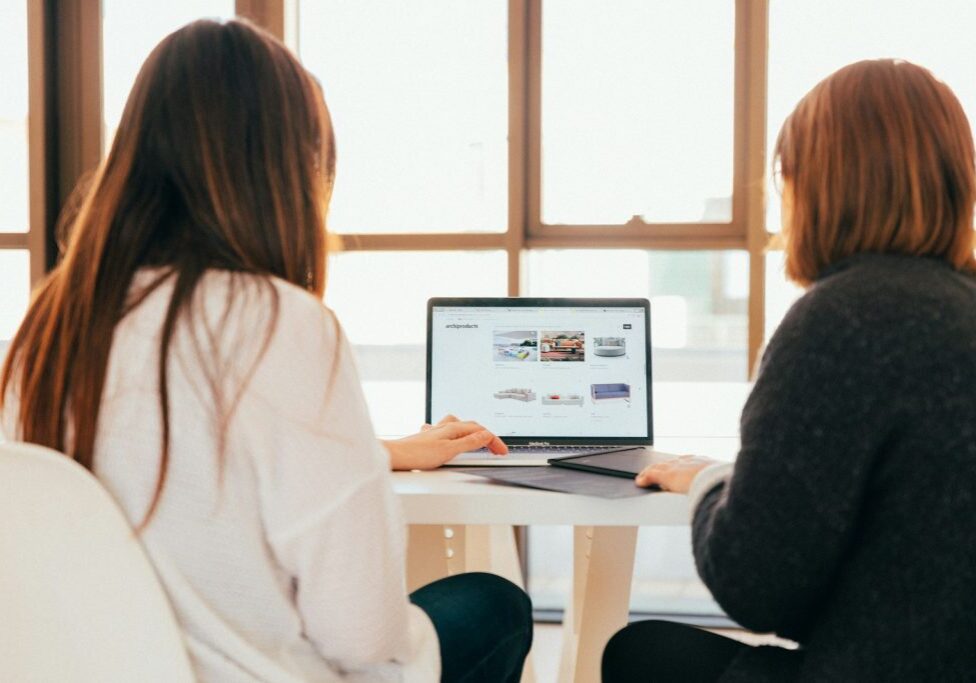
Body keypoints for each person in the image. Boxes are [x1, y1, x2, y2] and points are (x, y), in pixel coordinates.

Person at [0, 19, 530, 682]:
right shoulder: (282, 324)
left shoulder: (46, 330)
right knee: (494, 605)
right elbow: (362, 634)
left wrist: (379, 450)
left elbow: (179, 464)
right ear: (286, 171)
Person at [603, 59, 976, 681]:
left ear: (816, 183)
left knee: (640, 654)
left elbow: (757, 588)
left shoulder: (842, 319)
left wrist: (710, 484)